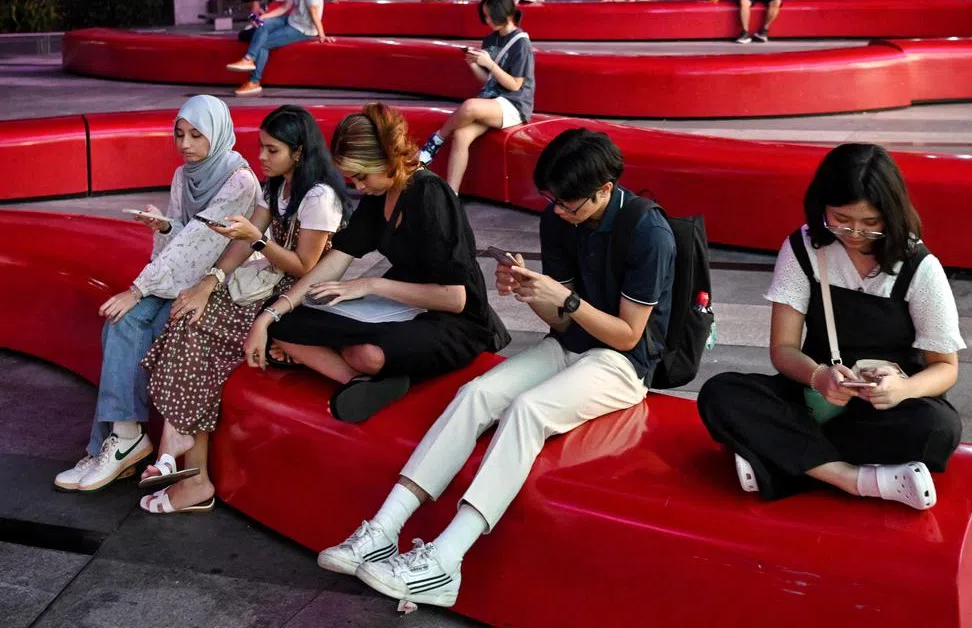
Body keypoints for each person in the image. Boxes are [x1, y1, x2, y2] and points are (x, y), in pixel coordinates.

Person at [316, 128, 676, 609]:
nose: (561, 213)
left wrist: (565, 298)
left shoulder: (649, 232)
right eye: (554, 202)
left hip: (623, 363)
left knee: (528, 410)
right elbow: (560, 320)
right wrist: (531, 293)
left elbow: (629, 335)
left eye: (571, 205)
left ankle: (447, 559)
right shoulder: (559, 217)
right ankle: (383, 528)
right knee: (476, 394)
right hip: (570, 343)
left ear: (605, 190)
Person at [698, 143, 964, 511]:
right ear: (821, 206)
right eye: (840, 219)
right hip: (814, 397)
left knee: (937, 429)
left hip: (883, 407)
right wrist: (819, 376)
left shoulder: (918, 266)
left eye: (871, 224)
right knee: (720, 393)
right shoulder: (803, 248)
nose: (854, 233)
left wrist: (902, 389)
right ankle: (851, 478)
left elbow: (945, 367)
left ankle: (781, 458)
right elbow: (783, 349)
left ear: (892, 214)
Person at [137, 106, 350, 514]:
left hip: (300, 295)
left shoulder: (319, 197)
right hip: (266, 281)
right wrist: (210, 281)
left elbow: (305, 265)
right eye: (261, 148)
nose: (263, 158)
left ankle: (188, 468)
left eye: (272, 150)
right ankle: (181, 461)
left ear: (299, 152)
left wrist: (258, 239)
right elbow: (240, 242)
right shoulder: (277, 186)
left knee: (197, 336)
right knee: (188, 316)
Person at [243, 104, 506, 423]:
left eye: (360, 176)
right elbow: (335, 261)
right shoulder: (378, 195)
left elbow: (455, 298)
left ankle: (369, 374)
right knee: (282, 320)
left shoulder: (430, 195)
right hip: (400, 307)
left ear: (386, 160)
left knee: (365, 353)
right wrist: (269, 316)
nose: (357, 186)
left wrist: (370, 284)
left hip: (456, 322)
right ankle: (364, 383)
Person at [53, 96, 260, 494]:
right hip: (181, 277)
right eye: (179, 134)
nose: (185, 144)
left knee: (141, 316)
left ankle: (116, 444)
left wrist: (138, 288)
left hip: (218, 285)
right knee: (123, 319)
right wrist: (164, 227)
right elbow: (182, 236)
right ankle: (122, 437)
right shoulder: (185, 175)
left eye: (197, 135)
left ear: (217, 133)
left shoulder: (239, 180)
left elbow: (201, 242)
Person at [418, 0, 535, 192]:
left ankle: (436, 140)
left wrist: (489, 63)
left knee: (470, 106)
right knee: (462, 135)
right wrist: (474, 64)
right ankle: (451, 195)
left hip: (514, 104)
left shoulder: (521, 43)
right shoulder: (490, 39)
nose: (487, 20)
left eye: (490, 16)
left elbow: (515, 85)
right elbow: (488, 80)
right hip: (491, 100)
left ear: (505, 15)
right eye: (485, 15)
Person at [226, 0, 335, 97]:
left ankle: (254, 81)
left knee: (264, 44)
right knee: (262, 25)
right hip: (292, 20)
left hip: (303, 29)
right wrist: (265, 17)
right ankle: (248, 59)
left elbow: (314, 13)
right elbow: (285, 7)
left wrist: (322, 35)